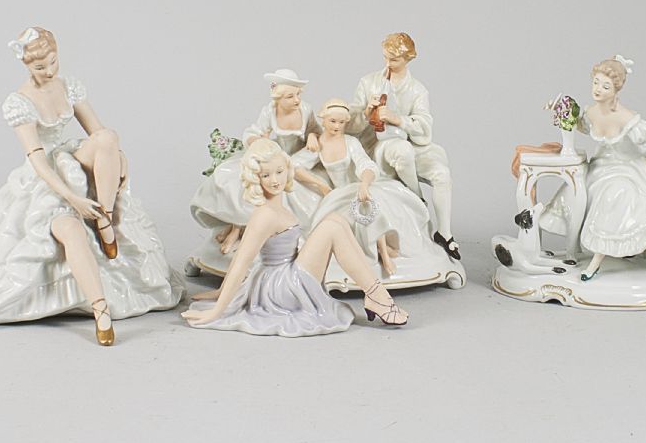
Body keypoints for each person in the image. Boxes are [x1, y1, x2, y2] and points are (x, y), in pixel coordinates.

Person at [0, 27, 183, 344]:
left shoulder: (69, 86)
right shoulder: (20, 102)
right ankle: (101, 311)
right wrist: (72, 198)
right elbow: (38, 159)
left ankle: (105, 219)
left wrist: (121, 157)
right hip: (46, 178)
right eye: (40, 67)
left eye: (53, 62)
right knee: (70, 229)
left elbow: (98, 131)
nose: (49, 71)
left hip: (71, 160)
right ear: (27, 65)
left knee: (108, 138)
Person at [181, 139, 409, 335]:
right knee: (331, 227)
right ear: (256, 178)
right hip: (281, 287)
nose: (274, 180)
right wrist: (218, 309)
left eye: (279, 172)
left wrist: (219, 292)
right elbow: (241, 261)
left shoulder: (279, 207)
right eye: (266, 175)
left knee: (336, 220)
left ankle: (376, 294)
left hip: (289, 274)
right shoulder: (264, 215)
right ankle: (378, 296)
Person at [542, 55, 646, 281]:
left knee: (613, 195)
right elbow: (578, 124)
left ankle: (596, 261)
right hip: (601, 165)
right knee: (574, 187)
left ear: (616, 90)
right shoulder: (592, 112)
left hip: (630, 168)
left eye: (605, 86)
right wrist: (558, 109)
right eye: (596, 82)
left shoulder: (628, 119)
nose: (598, 89)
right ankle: (572, 251)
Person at [349, 32, 459, 260]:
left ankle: (444, 233)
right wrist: (367, 111)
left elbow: (424, 127)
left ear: (408, 58)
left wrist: (397, 119)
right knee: (402, 150)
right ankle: (418, 200)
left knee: (441, 174)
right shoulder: (369, 83)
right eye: (385, 57)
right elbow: (351, 125)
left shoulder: (417, 90)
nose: (388, 63)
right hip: (381, 147)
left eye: (394, 59)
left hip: (413, 146)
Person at [293, 99, 434, 277]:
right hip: (339, 195)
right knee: (356, 211)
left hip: (362, 185)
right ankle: (380, 250)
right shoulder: (319, 144)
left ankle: (383, 251)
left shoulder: (350, 142)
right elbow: (294, 166)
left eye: (342, 122)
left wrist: (364, 184)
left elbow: (365, 164)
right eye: (333, 121)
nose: (337, 126)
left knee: (372, 200)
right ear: (323, 120)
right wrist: (320, 185)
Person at [190, 68, 321, 254]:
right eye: (290, 96)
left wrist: (313, 136)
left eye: (298, 94)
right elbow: (253, 132)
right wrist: (259, 141)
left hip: (297, 156)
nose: (296, 100)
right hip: (273, 154)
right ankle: (236, 228)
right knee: (236, 179)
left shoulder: (305, 110)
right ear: (278, 98)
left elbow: (316, 130)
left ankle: (247, 232)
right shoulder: (269, 111)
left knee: (281, 187)